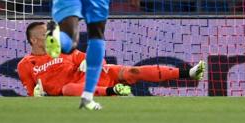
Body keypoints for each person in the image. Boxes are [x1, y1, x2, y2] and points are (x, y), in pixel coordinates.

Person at [18, 21, 205, 97]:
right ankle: (112, 91)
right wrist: (37, 95)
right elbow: (30, 92)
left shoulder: (63, 51)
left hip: (92, 77)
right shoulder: (25, 64)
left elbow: (97, 60)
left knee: (134, 71)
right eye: (45, 35)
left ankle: (189, 72)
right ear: (34, 40)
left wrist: (88, 62)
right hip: (77, 88)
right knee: (67, 89)